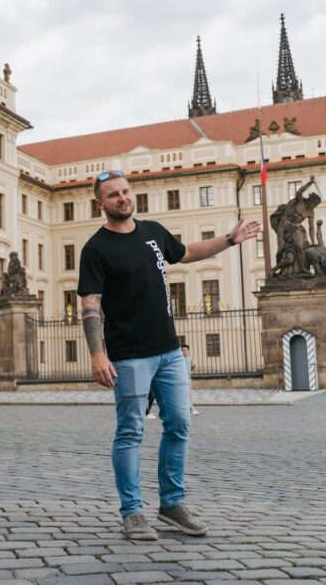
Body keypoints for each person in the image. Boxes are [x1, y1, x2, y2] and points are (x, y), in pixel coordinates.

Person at [78, 170, 258, 540]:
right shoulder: (96, 249)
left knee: (179, 423)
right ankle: (132, 513)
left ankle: (171, 504)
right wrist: (98, 354)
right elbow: (90, 305)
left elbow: (188, 253)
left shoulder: (153, 232)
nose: (122, 198)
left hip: (170, 352)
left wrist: (230, 239)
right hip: (128, 357)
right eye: (112, 195)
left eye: (125, 191)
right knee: (130, 431)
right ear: (101, 204)